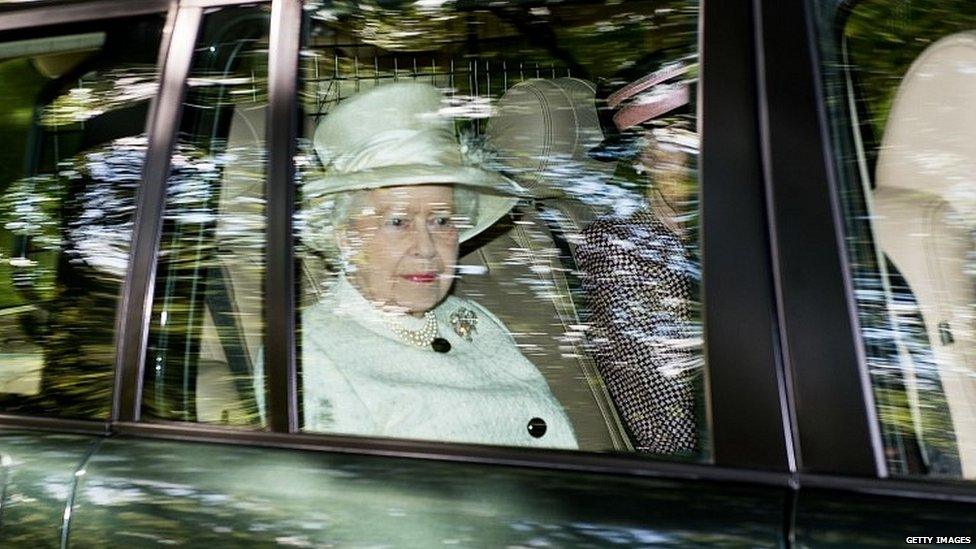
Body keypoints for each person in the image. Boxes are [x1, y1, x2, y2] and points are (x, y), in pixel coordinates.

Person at [297, 82, 578, 449]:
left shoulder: (474, 320)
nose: (427, 249)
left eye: (442, 221)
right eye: (398, 222)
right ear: (347, 237)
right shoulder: (309, 352)